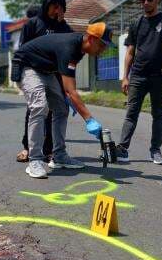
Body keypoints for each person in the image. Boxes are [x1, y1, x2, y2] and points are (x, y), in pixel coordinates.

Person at [13, 22, 112, 179]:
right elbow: (71, 90)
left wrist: (66, 95)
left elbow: (66, 78)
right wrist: (89, 119)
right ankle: (35, 160)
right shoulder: (70, 48)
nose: (103, 50)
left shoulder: (80, 49)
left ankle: (59, 156)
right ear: (92, 39)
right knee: (40, 106)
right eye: (102, 45)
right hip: (27, 66)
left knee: (61, 108)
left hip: (47, 70)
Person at [115, 0, 162, 165]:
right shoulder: (136, 23)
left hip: (160, 75)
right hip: (138, 75)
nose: (146, 2)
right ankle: (122, 149)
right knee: (131, 113)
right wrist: (125, 76)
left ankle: (155, 150)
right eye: (143, 0)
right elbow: (130, 52)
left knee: (158, 114)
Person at [16, 0, 73, 163]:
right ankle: (28, 148)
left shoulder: (63, 26)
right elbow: (22, 50)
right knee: (36, 109)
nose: (56, 9)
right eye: (53, 5)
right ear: (46, 5)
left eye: (60, 6)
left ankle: (49, 151)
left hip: (52, 74)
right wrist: (19, 76)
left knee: (56, 110)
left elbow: (71, 48)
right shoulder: (33, 24)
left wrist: (62, 22)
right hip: (33, 72)